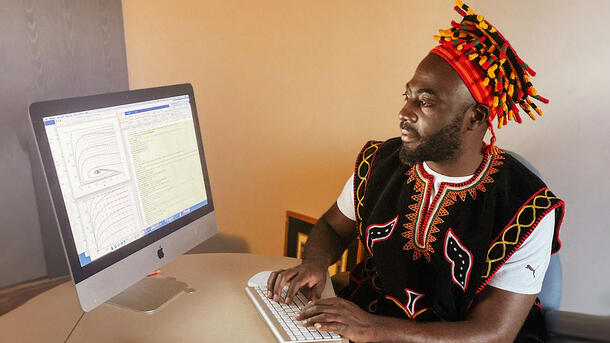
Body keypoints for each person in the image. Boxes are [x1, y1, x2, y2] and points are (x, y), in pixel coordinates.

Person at [267, 1, 565, 342]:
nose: (404, 112)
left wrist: (373, 328)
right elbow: (333, 229)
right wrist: (316, 264)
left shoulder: (525, 207)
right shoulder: (379, 162)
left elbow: (494, 333)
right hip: (366, 322)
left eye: (425, 102)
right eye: (407, 96)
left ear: (475, 117)